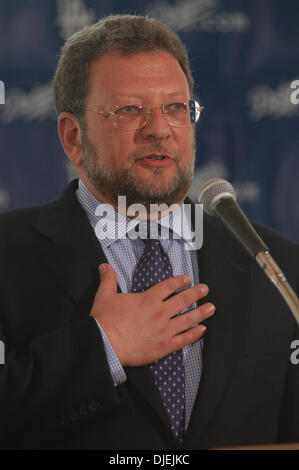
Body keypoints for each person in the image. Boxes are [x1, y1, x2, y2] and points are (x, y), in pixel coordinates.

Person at [0, 14, 298, 451]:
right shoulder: (7, 256)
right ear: (73, 137)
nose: (160, 129)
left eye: (176, 108)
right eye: (130, 110)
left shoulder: (277, 266)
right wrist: (102, 348)